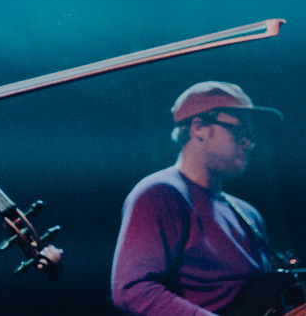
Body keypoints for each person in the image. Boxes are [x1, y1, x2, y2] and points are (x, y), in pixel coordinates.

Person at [111, 81, 286, 315]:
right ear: (198, 127)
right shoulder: (160, 193)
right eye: (239, 131)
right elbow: (132, 289)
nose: (248, 143)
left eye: (251, 135)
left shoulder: (249, 214)